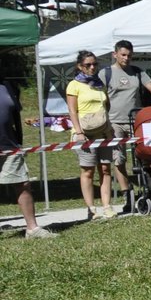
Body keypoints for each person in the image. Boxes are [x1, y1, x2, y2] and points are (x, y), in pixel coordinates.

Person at [99, 39, 151, 209]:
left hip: (136, 121)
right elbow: (96, 94)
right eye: (123, 55)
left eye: (129, 55)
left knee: (145, 154)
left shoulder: (138, 72)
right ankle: (127, 194)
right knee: (119, 159)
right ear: (115, 54)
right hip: (114, 122)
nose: (126, 58)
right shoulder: (106, 73)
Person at [66, 50, 117, 220]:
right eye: (88, 65)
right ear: (80, 66)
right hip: (84, 134)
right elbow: (72, 111)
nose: (92, 67)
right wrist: (79, 132)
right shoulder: (74, 85)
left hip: (103, 132)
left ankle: (107, 206)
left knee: (105, 169)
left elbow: (105, 106)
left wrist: (108, 129)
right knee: (88, 171)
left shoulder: (99, 83)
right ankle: (91, 209)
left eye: (95, 64)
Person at [1, 79, 54, 237]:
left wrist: (18, 142)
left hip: (8, 145)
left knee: (23, 184)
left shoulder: (7, 86)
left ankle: (32, 229)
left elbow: (15, 116)